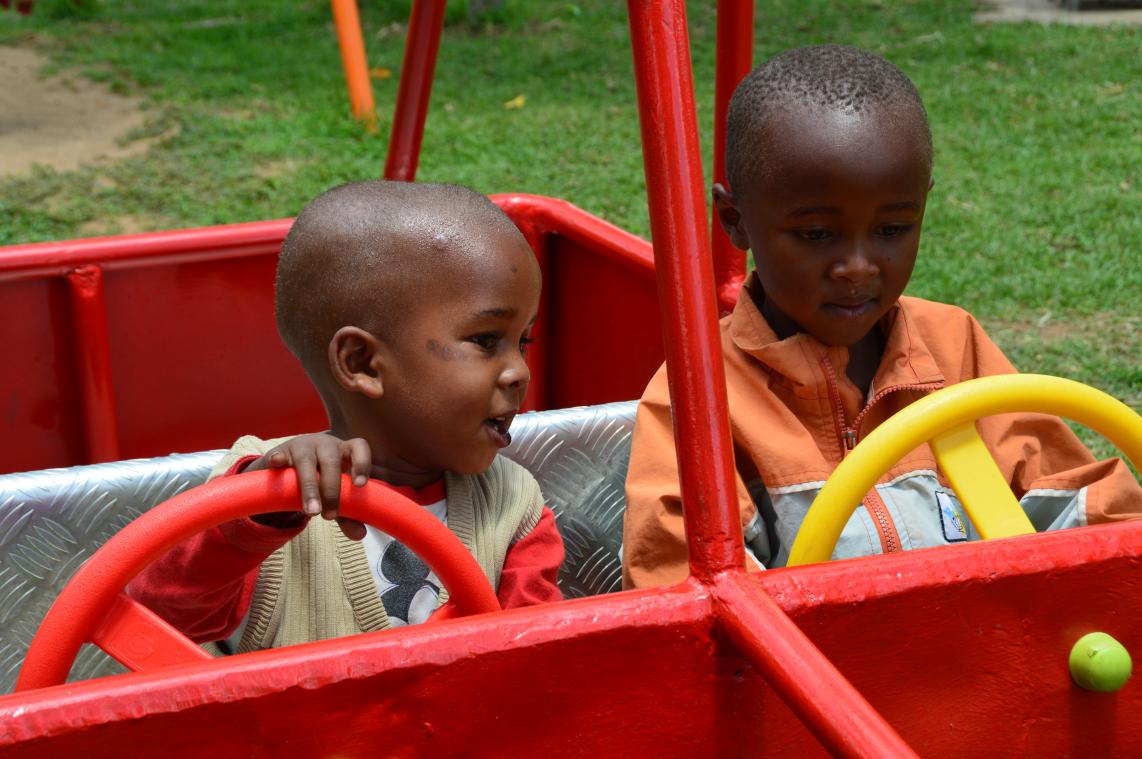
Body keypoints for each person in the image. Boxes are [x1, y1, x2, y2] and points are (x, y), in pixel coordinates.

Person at [622, 45, 1141, 588]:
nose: (857, 267)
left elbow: (1082, 510)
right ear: (736, 222)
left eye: (892, 229)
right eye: (817, 235)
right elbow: (685, 591)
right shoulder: (700, 396)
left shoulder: (954, 345)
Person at [129, 180, 564, 648]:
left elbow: (538, 660)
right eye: (485, 341)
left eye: (523, 342)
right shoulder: (263, 492)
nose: (519, 371)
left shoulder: (513, 507)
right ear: (362, 363)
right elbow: (158, 620)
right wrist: (265, 510)